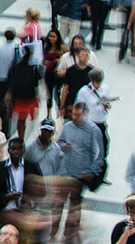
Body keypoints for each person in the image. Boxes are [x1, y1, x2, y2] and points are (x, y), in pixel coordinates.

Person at [53, 103, 105, 243]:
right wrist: (64, 145)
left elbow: (100, 155)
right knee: (58, 203)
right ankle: (53, 230)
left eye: (77, 115)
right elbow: (59, 142)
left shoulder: (93, 130)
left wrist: (91, 172)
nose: (74, 117)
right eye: (73, 114)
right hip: (64, 173)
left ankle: (69, 234)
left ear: (85, 114)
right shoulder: (68, 126)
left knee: (74, 206)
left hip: (79, 176)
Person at [0, 138, 42, 229]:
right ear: (8, 150)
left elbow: (40, 189)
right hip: (2, 214)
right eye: (13, 149)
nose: (16, 152)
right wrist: (4, 196)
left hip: (24, 214)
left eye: (19, 149)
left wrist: (29, 202)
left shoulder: (32, 167)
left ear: (23, 150)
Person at [0, 28, 21, 137]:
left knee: (1, 106)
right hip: (13, 81)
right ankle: (9, 128)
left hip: (2, 79)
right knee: (12, 104)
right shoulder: (17, 49)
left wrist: (0, 70)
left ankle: (3, 129)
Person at [8, 48, 41, 140]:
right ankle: (29, 138)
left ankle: (21, 139)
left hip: (19, 98)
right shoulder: (33, 68)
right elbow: (37, 82)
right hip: (30, 98)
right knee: (31, 119)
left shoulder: (16, 67)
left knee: (21, 120)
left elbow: (12, 82)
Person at [58, 48, 92, 119]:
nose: (85, 57)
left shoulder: (91, 71)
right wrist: (62, 106)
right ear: (78, 56)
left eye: (87, 55)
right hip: (71, 101)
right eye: (83, 55)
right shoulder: (70, 70)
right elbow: (65, 88)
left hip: (86, 102)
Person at [42, 30, 68, 118]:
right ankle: (48, 114)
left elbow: (68, 57)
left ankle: (58, 112)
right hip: (48, 73)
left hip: (58, 74)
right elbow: (42, 59)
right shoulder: (47, 47)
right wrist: (45, 62)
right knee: (48, 94)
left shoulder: (62, 47)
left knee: (58, 93)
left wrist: (59, 60)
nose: (51, 39)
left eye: (54, 37)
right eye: (50, 36)